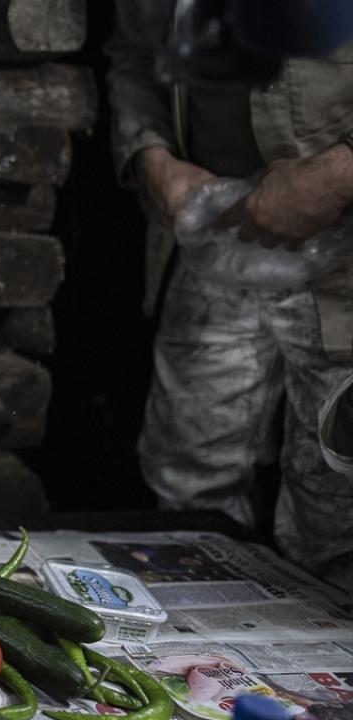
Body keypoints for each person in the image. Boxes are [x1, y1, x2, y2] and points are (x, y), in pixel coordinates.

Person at [105, 0, 353, 586]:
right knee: (188, 486)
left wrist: (341, 173)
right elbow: (135, 56)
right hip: (213, 241)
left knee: (338, 509)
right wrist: (152, 155)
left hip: (343, 259)